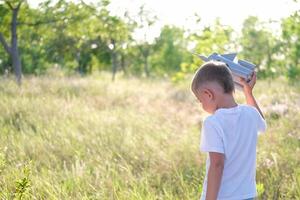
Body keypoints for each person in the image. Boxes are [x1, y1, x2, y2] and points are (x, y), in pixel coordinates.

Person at [191, 61, 267, 200]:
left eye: (200, 100)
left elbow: (217, 165)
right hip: (248, 195)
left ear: (208, 94)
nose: (201, 105)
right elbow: (262, 124)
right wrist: (248, 93)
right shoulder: (250, 113)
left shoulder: (213, 123)